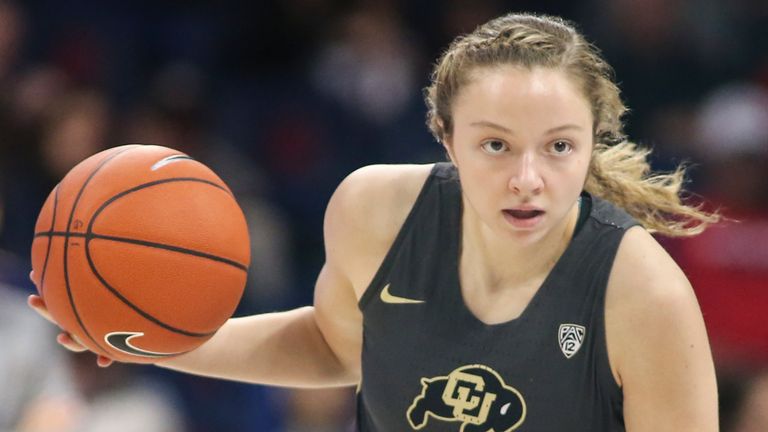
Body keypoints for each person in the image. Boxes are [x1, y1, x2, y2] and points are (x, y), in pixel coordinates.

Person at [29, 12, 721, 431]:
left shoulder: (644, 296)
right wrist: (154, 340)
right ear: (444, 138)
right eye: (495, 144)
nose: (529, 177)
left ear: (593, 142)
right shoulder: (375, 212)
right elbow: (338, 349)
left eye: (560, 146)